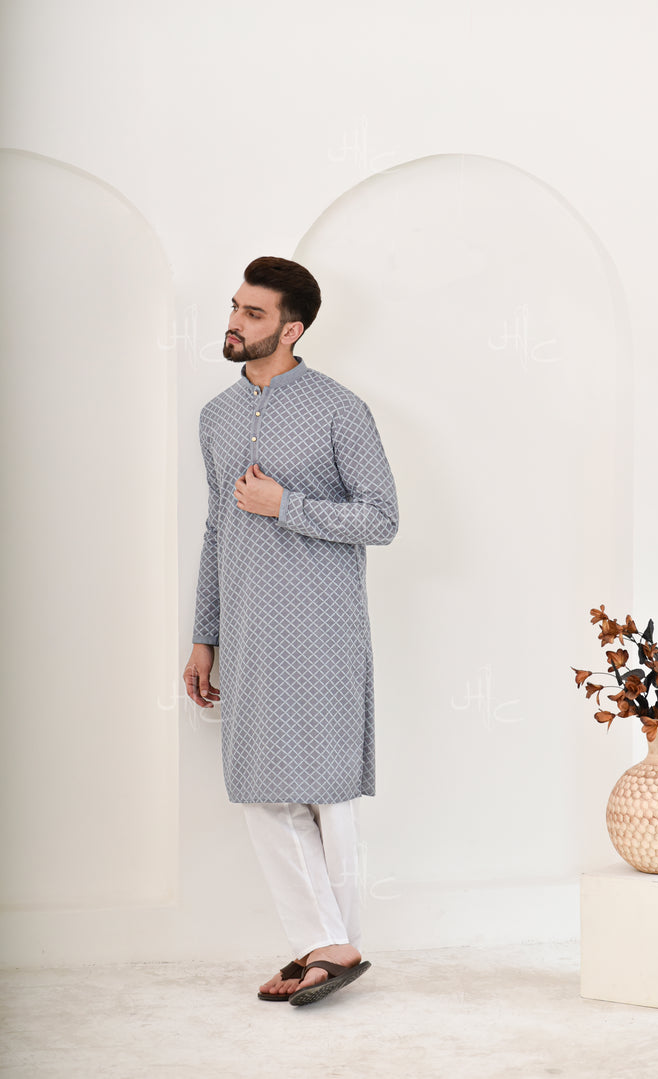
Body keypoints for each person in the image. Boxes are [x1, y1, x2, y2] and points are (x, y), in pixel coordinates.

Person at [183, 256, 399, 1007]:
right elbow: (217, 529)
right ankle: (326, 944)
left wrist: (287, 505)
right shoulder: (215, 416)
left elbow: (382, 518)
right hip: (248, 628)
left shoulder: (340, 409)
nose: (235, 322)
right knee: (260, 789)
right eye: (235, 307)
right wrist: (205, 634)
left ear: (291, 329)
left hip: (323, 626)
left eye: (253, 313)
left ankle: (331, 946)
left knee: (328, 792)